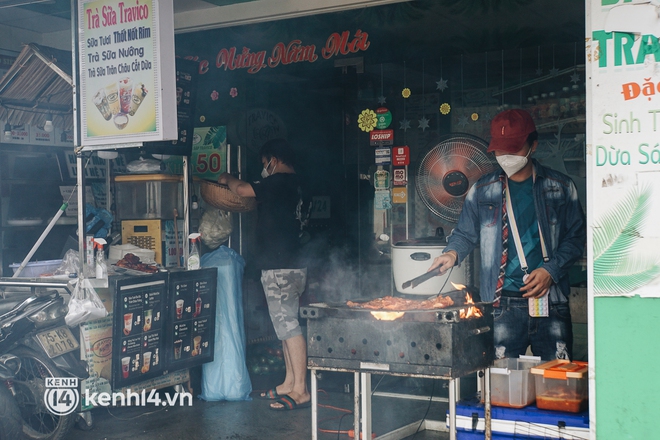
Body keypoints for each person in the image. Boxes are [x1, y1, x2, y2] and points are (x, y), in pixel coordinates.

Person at [428, 109, 585, 361]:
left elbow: (577, 238)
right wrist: (452, 253)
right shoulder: (481, 190)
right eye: (501, 151)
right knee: (501, 384)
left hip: (551, 300)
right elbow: (465, 233)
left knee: (558, 384)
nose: (506, 157)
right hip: (502, 304)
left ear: (533, 145)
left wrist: (551, 270)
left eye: (514, 149)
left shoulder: (562, 187)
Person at [218, 138, 309, 410]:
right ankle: (289, 382)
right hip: (293, 264)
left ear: (274, 159)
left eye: (264, 163)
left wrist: (227, 177)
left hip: (281, 266)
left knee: (289, 327)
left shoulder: (278, 182)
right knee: (285, 325)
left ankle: (301, 390)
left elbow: (244, 190)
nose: (264, 169)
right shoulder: (298, 185)